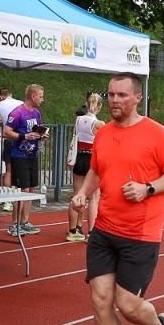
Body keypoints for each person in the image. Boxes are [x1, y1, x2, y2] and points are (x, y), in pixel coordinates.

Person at [70, 72, 164, 325]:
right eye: (111, 95)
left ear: (137, 98)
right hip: (105, 230)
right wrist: (83, 193)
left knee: (128, 305)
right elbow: (97, 169)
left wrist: (148, 188)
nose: (115, 101)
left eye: (122, 95)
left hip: (140, 233)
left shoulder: (156, 133)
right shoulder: (103, 133)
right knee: (100, 299)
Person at [3, 83, 47, 235]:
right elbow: (6, 132)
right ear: (33, 96)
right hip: (19, 155)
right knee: (21, 190)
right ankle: (14, 223)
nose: (43, 99)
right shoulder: (17, 113)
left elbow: (38, 129)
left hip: (32, 155)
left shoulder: (36, 113)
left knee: (30, 189)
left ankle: (25, 221)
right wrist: (23, 136)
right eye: (41, 96)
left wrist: (42, 135)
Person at [66, 92, 104, 242]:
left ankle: (72, 230)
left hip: (79, 157)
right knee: (94, 197)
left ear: (86, 104)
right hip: (92, 160)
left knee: (77, 195)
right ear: (99, 106)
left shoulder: (78, 120)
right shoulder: (100, 124)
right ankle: (92, 232)